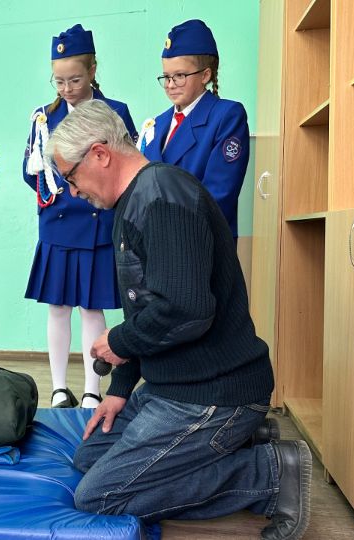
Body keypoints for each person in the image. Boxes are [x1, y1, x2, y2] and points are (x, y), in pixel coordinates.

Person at [45, 99, 311, 540]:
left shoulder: (163, 199)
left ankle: (268, 474)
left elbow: (187, 310)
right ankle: (239, 441)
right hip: (171, 387)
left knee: (98, 497)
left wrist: (120, 342)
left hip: (213, 394)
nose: (73, 192)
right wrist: (120, 389)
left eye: (71, 178)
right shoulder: (133, 201)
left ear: (100, 154)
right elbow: (145, 309)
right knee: (89, 459)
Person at [22, 23, 137, 410]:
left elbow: (126, 164)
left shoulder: (115, 112)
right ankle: (58, 388)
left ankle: (91, 389)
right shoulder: (43, 118)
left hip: (97, 224)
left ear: (92, 70)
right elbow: (30, 171)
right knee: (58, 307)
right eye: (59, 81)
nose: (67, 89)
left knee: (91, 307)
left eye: (74, 79)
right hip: (57, 223)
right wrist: (58, 185)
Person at [136, 19, 250, 240]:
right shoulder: (157, 125)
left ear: (205, 75)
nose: (170, 85)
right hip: (154, 245)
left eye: (179, 76)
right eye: (166, 77)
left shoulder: (226, 116)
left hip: (197, 243)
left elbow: (218, 197)